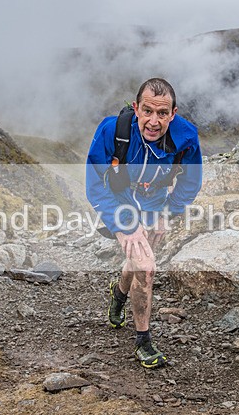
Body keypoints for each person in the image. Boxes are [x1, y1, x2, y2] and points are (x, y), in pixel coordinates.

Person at [86, 78, 202, 369]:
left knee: (138, 261)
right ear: (136, 108)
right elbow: (94, 181)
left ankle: (118, 294)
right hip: (120, 198)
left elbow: (191, 180)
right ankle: (143, 341)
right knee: (147, 266)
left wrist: (168, 212)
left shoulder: (186, 137)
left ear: (173, 114)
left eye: (162, 114)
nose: (153, 121)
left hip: (154, 201)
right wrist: (123, 223)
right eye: (147, 111)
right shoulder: (112, 130)